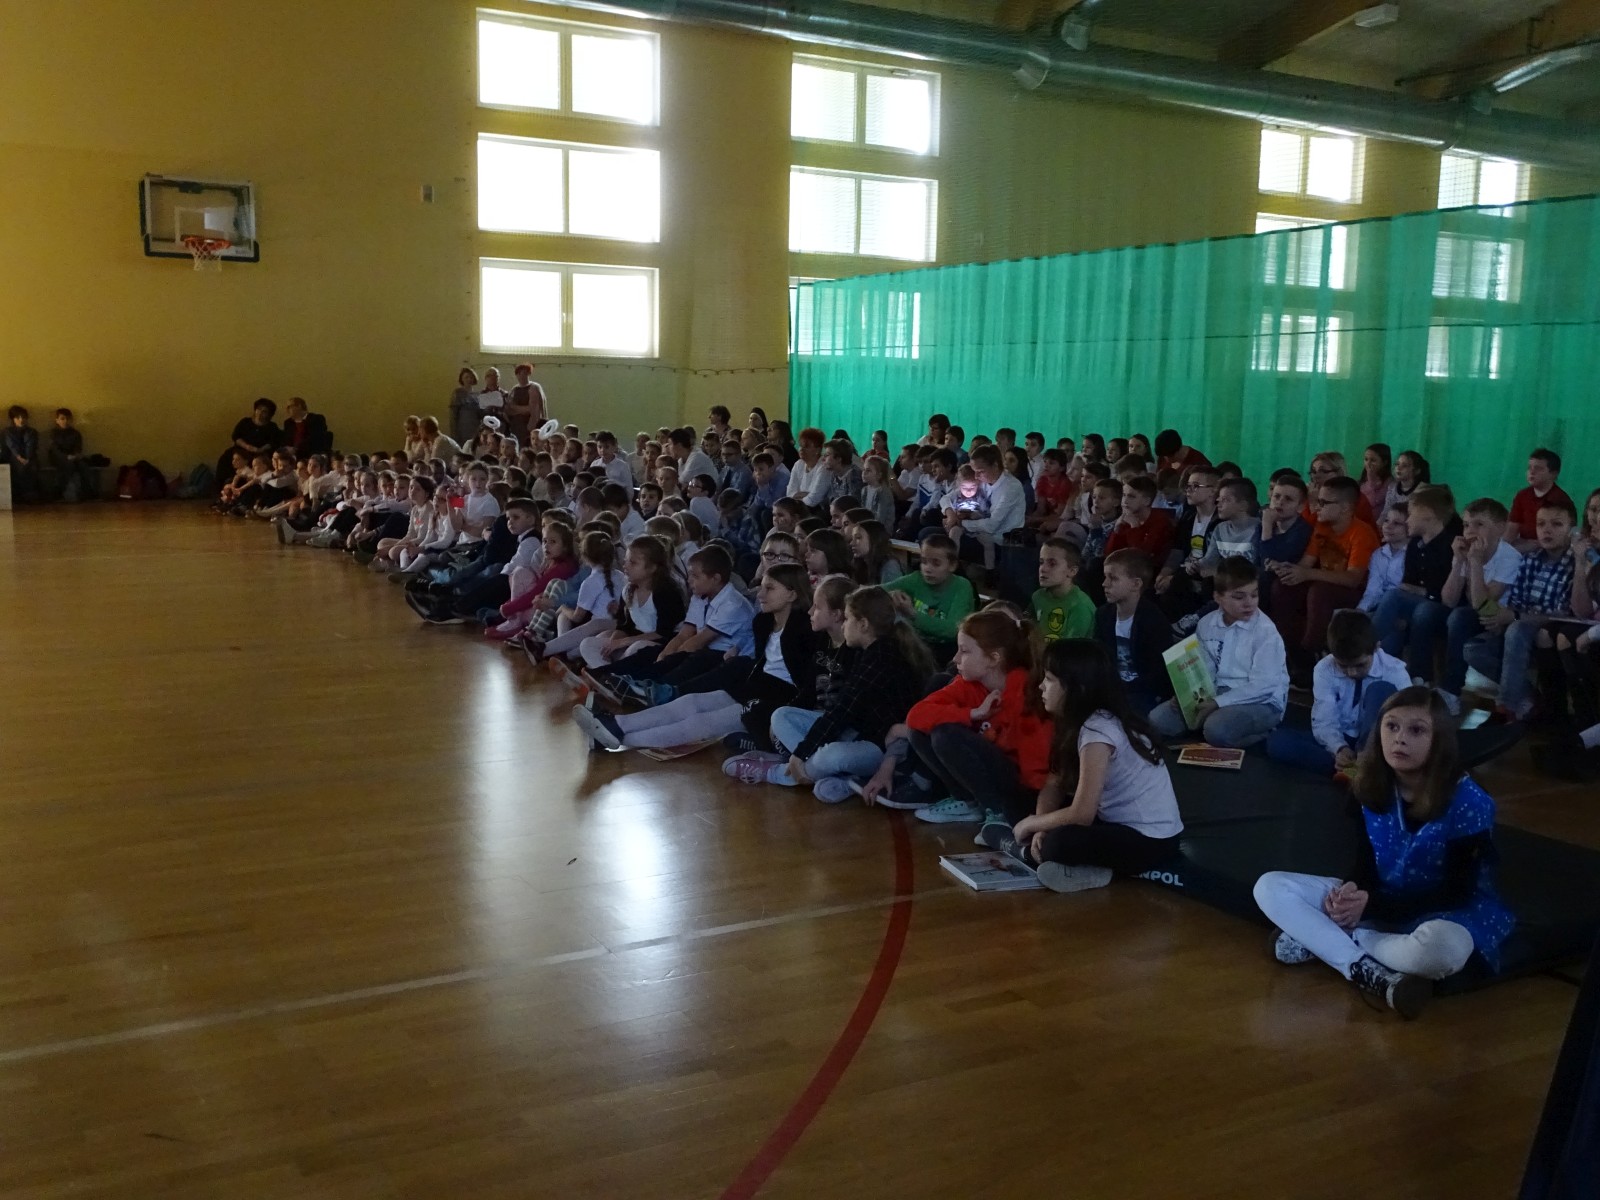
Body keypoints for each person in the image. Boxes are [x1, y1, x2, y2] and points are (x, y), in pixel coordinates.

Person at [1254, 687, 1515, 1018]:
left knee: (1442, 951)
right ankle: (1364, 969)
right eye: (1391, 726)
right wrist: (1351, 892)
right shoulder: (1369, 784)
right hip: (1380, 898)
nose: (1399, 739)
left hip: (1444, 911)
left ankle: (1334, 940)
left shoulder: (1469, 801)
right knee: (1270, 886)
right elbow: (1365, 863)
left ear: (1439, 741)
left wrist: (1368, 908)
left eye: (1416, 730)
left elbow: (1456, 892)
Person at [976, 639, 1184, 892]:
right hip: (1111, 823)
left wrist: (1032, 825)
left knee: (1059, 843)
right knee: (1017, 800)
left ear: (1076, 688)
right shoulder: (1073, 722)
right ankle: (1038, 850)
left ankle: (1021, 850)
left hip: (1149, 840)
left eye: (1049, 679)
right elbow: (1054, 783)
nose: (1041, 686)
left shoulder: (1099, 729)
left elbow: (1082, 814)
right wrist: (1041, 824)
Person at [573, 565, 816, 752]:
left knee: (702, 722)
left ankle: (619, 738)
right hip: (757, 684)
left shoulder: (805, 629)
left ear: (792, 594)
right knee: (690, 703)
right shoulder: (763, 622)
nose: (760, 594)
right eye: (761, 587)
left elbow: (807, 680)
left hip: (780, 698)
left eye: (770, 589)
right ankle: (617, 724)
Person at [728, 585, 929, 802]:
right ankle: (841, 779)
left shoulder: (881, 658)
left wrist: (801, 753)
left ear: (863, 625)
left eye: (848, 619)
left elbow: (843, 710)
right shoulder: (865, 651)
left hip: (878, 748)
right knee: (782, 715)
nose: (844, 625)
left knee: (831, 754)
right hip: (856, 733)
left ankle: (781, 773)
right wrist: (804, 750)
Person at [896, 609, 1053, 825]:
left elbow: (1036, 770)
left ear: (993, 658)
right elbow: (916, 716)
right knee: (922, 730)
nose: (955, 659)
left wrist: (1031, 818)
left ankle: (998, 813)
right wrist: (972, 713)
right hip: (990, 773)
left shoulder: (1026, 691)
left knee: (946, 734)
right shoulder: (969, 683)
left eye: (964, 651)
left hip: (1019, 787)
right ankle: (969, 802)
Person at [1150, 556, 1288, 748]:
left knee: (1216, 730)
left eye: (1254, 595)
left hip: (1261, 701)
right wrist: (1186, 696)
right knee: (1157, 720)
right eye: (1239, 597)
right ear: (1218, 597)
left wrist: (1218, 703)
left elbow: (1264, 686)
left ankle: (1262, 733)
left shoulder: (1265, 631)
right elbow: (1204, 670)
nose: (1249, 603)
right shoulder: (1206, 624)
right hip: (1216, 692)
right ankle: (1210, 726)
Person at [1463, 497, 1576, 721]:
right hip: (1519, 628)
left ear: (1571, 529)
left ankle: (1506, 708)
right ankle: (1528, 696)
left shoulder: (1574, 563)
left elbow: (1562, 614)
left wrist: (1512, 617)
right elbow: (1514, 602)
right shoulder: (1531, 560)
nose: (1547, 530)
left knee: (1516, 629)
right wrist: (1500, 618)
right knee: (1474, 649)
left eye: (1556, 524)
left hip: (1548, 630)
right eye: (1541, 524)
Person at [1266, 609, 1410, 776]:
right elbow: (1324, 719)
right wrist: (1339, 748)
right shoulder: (1324, 669)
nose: (1352, 672)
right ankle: (1350, 770)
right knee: (1277, 742)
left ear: (1376, 648)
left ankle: (1365, 765)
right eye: (1343, 666)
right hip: (1342, 736)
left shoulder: (1395, 671)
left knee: (1380, 689)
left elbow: (1407, 721)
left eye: (1360, 665)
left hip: (1378, 743)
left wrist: (1369, 749)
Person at [1270, 475, 1379, 669]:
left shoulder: (1362, 533)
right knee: (1283, 586)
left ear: (1345, 507)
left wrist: (1307, 574)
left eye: (1323, 502)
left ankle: (1310, 651)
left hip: (1354, 592)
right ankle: (1285, 648)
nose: (1316, 507)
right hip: (1324, 583)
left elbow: (1353, 579)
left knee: (1319, 592)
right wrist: (1286, 569)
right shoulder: (1322, 527)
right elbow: (1306, 563)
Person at [1371, 487, 1463, 676]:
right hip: (1419, 604)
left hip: (1445, 609)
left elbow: (1449, 596)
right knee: (1395, 624)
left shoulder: (1450, 546)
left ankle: (1365, 649)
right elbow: (1408, 585)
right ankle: (1377, 670)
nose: (1407, 520)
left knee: (1415, 606)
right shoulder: (1415, 544)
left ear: (1428, 515)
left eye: (1411, 514)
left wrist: (1424, 592)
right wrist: (1422, 592)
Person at [885, 533, 976, 663]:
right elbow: (879, 590)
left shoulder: (962, 587)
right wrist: (891, 594)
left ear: (952, 565)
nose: (927, 569)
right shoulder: (916, 578)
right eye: (924, 562)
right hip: (917, 645)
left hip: (949, 651)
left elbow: (953, 630)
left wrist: (913, 614)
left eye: (936, 564)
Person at [944, 444, 1024, 568]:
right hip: (978, 529)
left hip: (1000, 540)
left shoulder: (1011, 487)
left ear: (995, 466)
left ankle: (959, 570)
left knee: (943, 542)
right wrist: (951, 514)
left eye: (980, 472)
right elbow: (947, 498)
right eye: (975, 472)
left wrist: (961, 523)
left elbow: (992, 526)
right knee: (934, 533)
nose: (976, 477)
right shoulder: (984, 480)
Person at [1033, 538, 1095, 642]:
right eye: (1041, 562)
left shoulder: (1080, 606)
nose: (1043, 569)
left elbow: (1070, 650)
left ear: (1072, 571)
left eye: (1052, 564)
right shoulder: (1037, 596)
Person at [1509, 448, 1571, 552]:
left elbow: (1564, 538)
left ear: (1553, 474)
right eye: (1529, 468)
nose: (1532, 472)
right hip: (1523, 546)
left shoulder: (1561, 500)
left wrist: (1537, 545)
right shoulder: (1522, 495)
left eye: (1538, 468)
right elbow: (1511, 530)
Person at [1104, 476, 1174, 559]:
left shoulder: (1160, 521)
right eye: (1124, 495)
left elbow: (1142, 557)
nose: (1124, 501)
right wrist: (1116, 530)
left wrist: (1134, 528)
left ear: (1146, 501)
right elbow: (1109, 556)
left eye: (1131, 496)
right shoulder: (1126, 519)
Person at [217, 398, 280, 484]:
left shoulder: (272, 426)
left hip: (260, 452)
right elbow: (236, 437)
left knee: (259, 462)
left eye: (264, 411)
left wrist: (259, 450)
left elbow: (273, 442)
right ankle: (223, 483)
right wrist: (247, 446)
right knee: (227, 457)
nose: (260, 413)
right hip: (242, 449)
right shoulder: (245, 422)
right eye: (258, 409)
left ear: (269, 414)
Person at [46, 408, 89, 501]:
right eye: (62, 418)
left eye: (68, 419)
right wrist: (66, 457)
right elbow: (55, 449)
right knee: (68, 465)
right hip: (57, 458)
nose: (65, 421)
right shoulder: (53, 433)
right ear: (57, 420)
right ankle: (58, 492)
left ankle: (87, 492)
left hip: (73, 457)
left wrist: (76, 455)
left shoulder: (75, 433)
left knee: (83, 466)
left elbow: (78, 447)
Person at [847, 519, 903, 586]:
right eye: (852, 538)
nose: (852, 543)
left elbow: (890, 592)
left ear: (874, 539)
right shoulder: (860, 563)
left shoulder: (889, 565)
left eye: (858, 538)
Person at [3, 406, 41, 503]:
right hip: (14, 456)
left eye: (23, 417)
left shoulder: (31, 431)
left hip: (29, 457)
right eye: (18, 417)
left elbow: (31, 445)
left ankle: (30, 495)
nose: (21, 420)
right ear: (13, 419)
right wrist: (19, 457)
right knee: (17, 467)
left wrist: (27, 458)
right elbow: (12, 445)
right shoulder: (8, 431)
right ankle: (19, 495)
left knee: (32, 467)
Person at [505, 362, 547, 443]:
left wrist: (516, 408)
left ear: (528, 374)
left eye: (524, 373)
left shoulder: (533, 387)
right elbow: (509, 408)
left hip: (529, 426)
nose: (521, 376)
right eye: (519, 373)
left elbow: (533, 409)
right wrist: (521, 409)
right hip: (515, 426)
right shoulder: (514, 389)